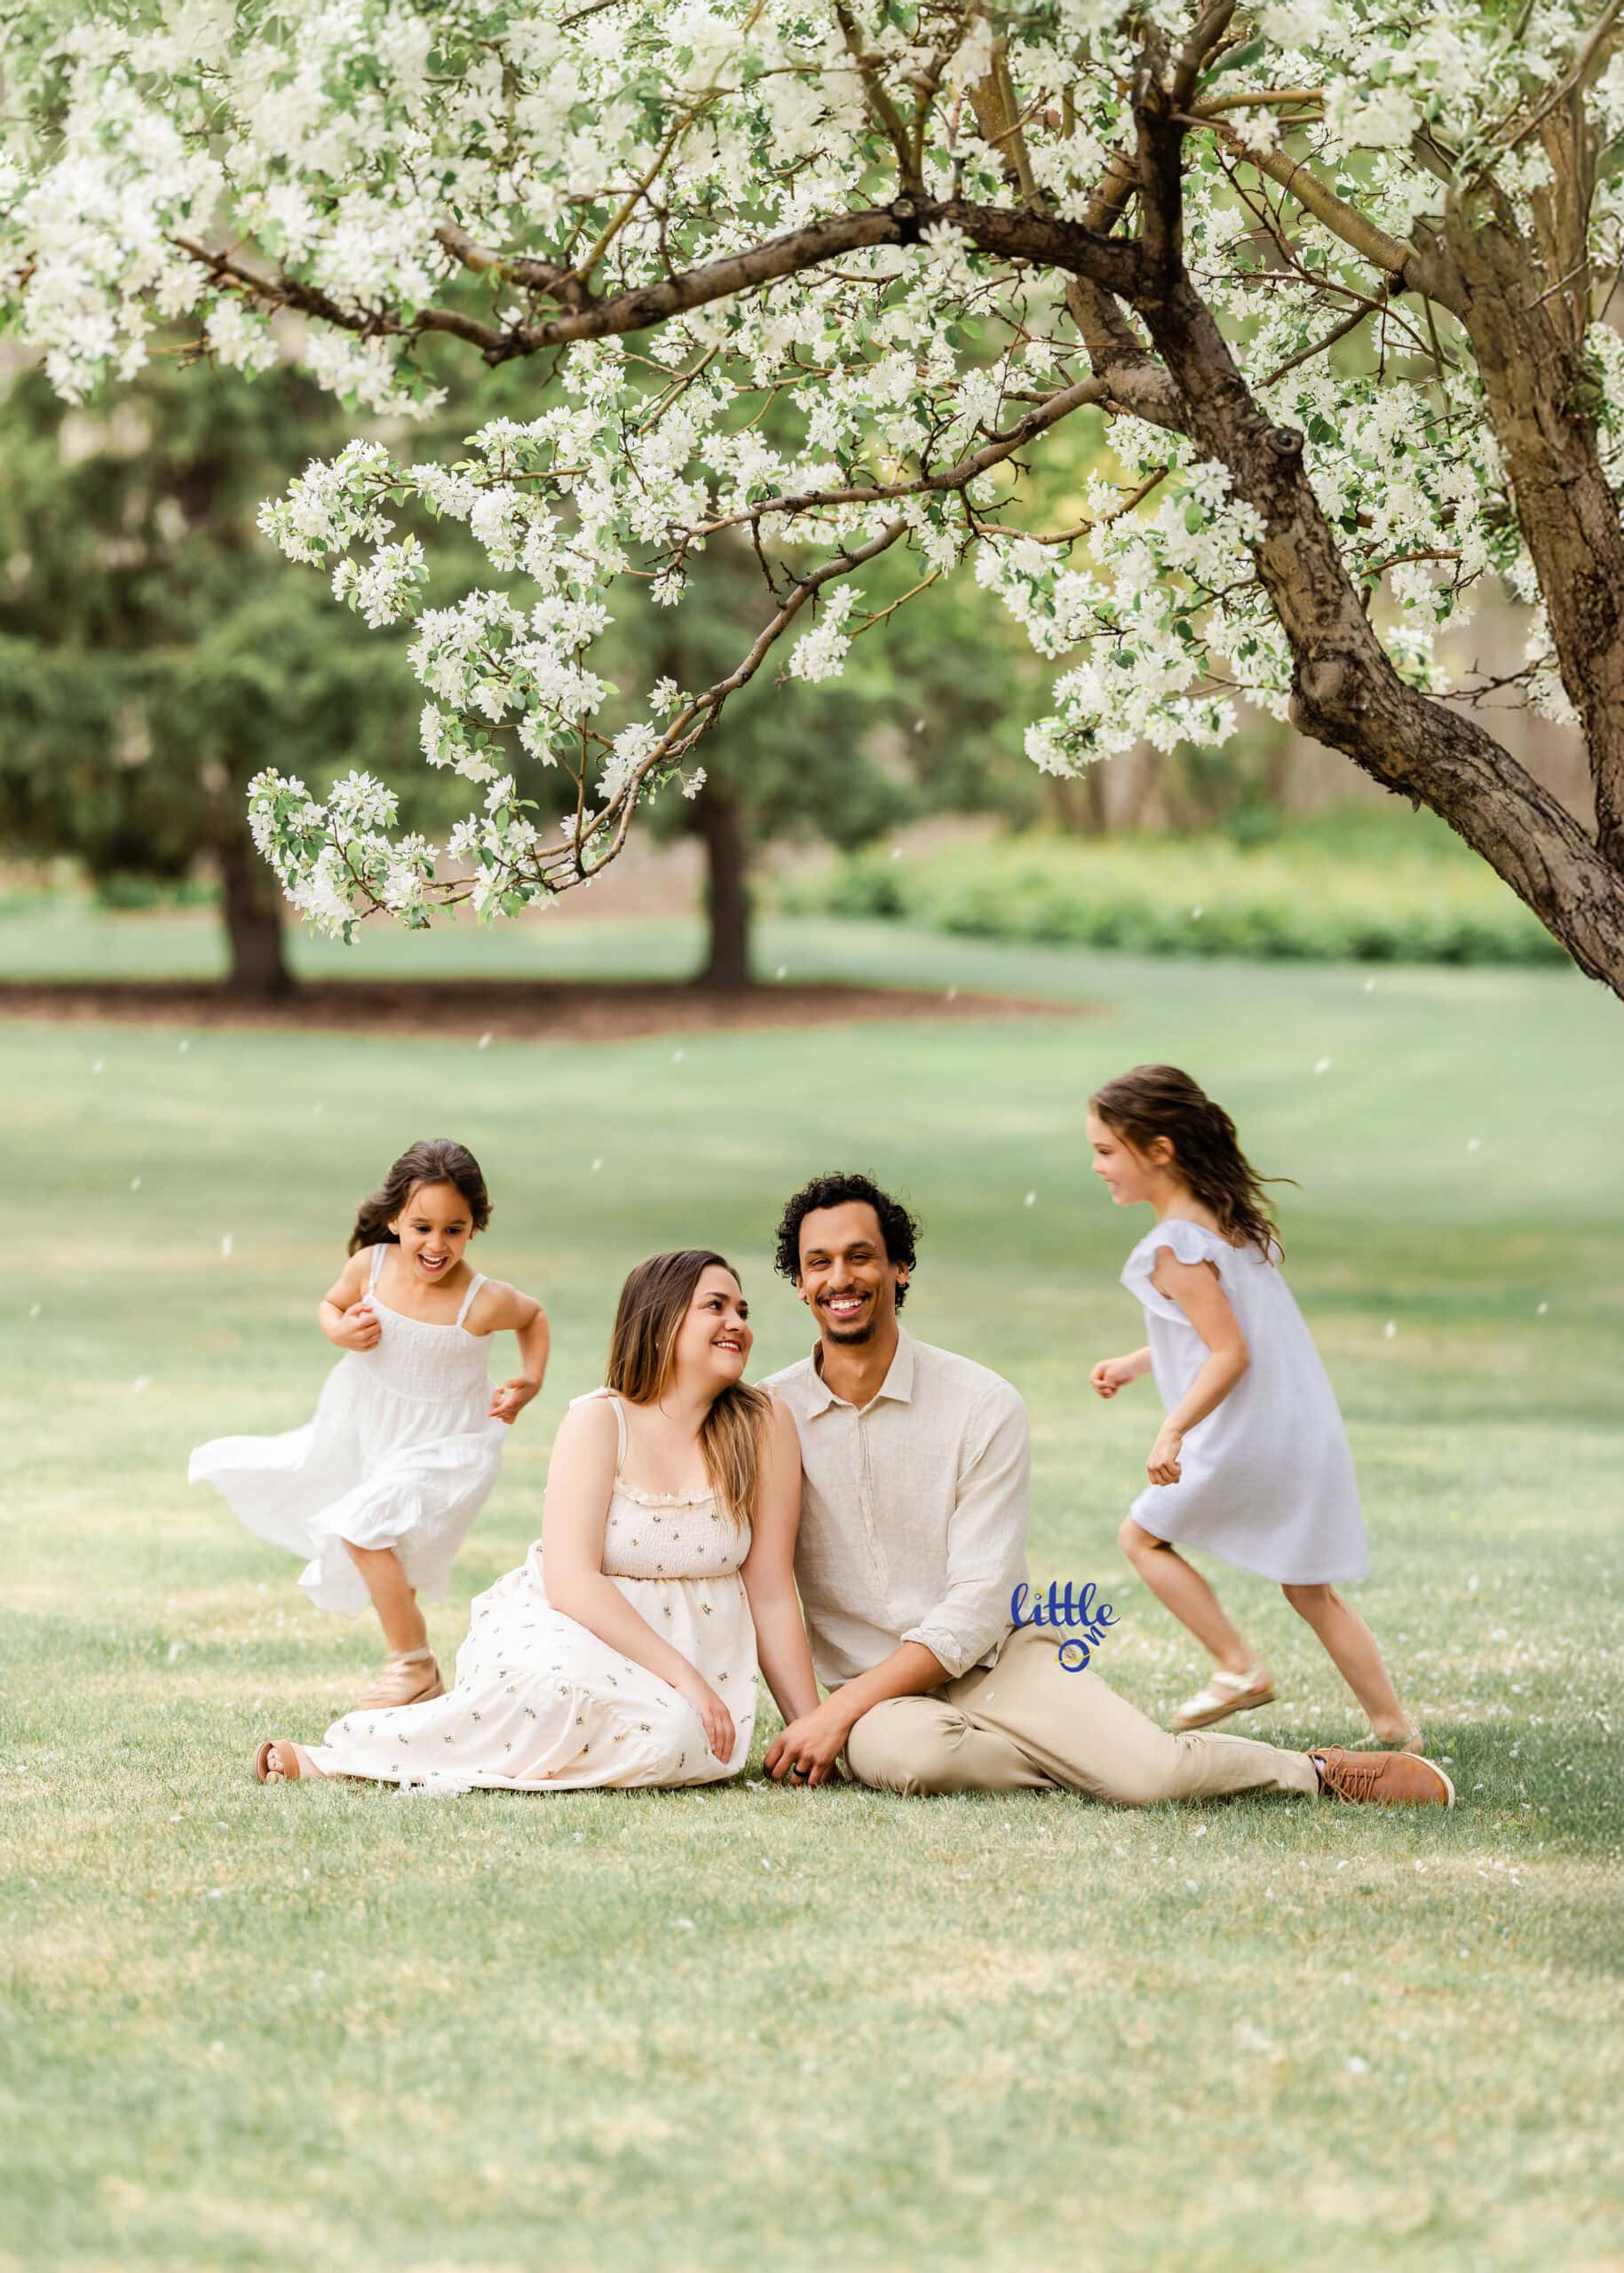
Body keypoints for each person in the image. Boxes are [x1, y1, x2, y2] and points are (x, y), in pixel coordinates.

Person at [759, 1171, 1452, 1808]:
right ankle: (1085, 1762)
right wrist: (829, 1713)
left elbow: (977, 1605)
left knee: (1154, 1779)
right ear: (797, 1281)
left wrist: (832, 1720)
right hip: (881, 1703)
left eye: (859, 1256)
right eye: (818, 1262)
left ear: (898, 1266)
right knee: (915, 1760)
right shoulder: (769, 1415)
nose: (839, 1278)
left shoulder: (980, 1402)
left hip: (1000, 1659)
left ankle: (1313, 1771)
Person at [250, 1250, 818, 1791]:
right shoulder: (599, 1422)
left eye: (742, 1310)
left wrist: (811, 1729)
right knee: (557, 1699)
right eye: (715, 1306)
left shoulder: (764, 1425)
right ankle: (345, 1756)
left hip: (693, 1662)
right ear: (661, 1320)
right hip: (573, 1627)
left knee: (675, 1740)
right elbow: (572, 1582)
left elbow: (769, 1590)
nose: (737, 1322)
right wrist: (684, 1680)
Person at [1088, 1065, 1422, 1751]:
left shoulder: (1173, 1246)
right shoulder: (1225, 1225)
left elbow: (1229, 1353)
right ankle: (1394, 1727)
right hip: (1295, 1427)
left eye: (1104, 1151)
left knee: (1140, 1538)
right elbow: (1215, 1333)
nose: (1096, 1167)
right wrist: (1135, 1362)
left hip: (1244, 1431)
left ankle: (1237, 1668)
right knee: (1309, 1591)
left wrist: (1172, 1429)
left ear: (1159, 1150)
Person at [191, 1138, 549, 1712]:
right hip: (373, 1433)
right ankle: (415, 1675)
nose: (436, 1245)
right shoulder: (370, 1267)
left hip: (450, 1446)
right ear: (393, 1220)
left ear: (474, 1228)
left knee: (360, 1526)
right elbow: (329, 1305)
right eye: (422, 1227)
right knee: (385, 1548)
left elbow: (534, 1317)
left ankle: (412, 1664)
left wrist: (529, 1381)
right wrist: (339, 1331)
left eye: (453, 1230)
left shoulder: (480, 1301)